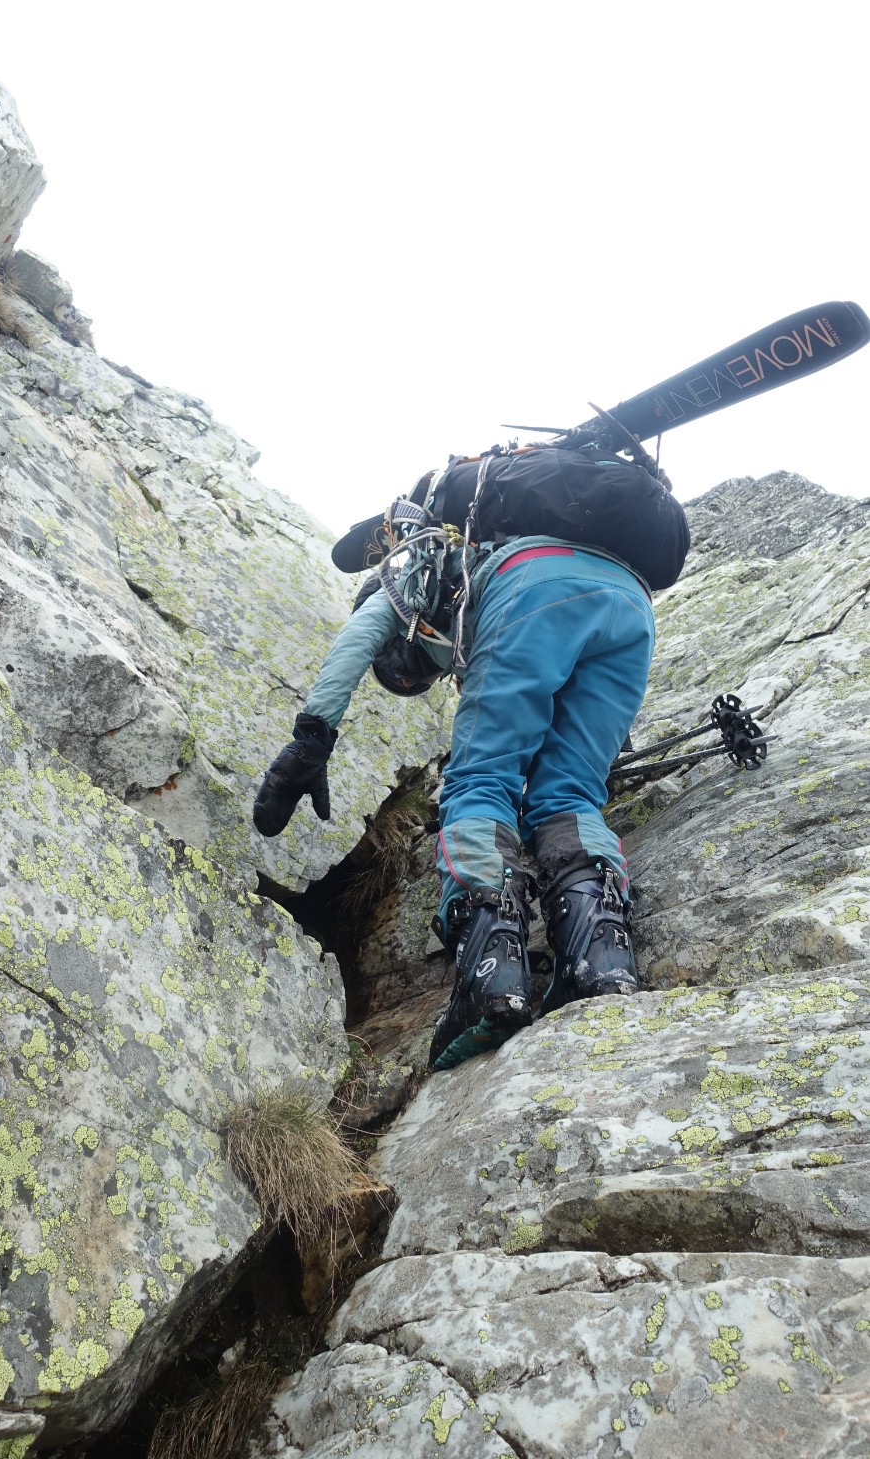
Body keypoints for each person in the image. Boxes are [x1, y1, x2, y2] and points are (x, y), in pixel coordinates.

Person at [253, 446, 689, 1071]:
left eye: (407, 676)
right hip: (630, 603)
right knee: (570, 795)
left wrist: (311, 739)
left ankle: (493, 979)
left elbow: (357, 638)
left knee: (480, 782)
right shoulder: (485, 544)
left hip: (534, 584)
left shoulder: (416, 578)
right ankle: (601, 964)